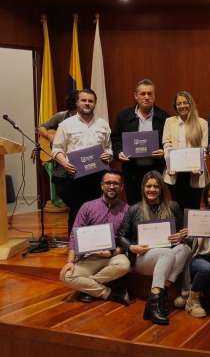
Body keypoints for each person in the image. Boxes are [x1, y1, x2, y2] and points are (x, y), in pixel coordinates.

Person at [118, 171, 191, 325]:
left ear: (161, 189)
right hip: (143, 258)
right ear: (143, 188)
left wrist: (182, 235)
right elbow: (121, 236)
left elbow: (184, 233)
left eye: (156, 186)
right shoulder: (134, 209)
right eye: (148, 186)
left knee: (185, 249)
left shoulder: (173, 206)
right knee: (167, 253)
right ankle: (157, 300)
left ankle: (155, 298)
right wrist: (132, 247)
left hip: (166, 256)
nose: (152, 190)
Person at [59, 170, 131, 305]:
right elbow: (75, 235)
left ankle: (87, 288)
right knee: (66, 276)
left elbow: (129, 239)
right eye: (108, 183)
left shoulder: (127, 210)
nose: (111, 186)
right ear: (101, 185)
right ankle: (109, 293)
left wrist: (113, 252)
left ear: (121, 187)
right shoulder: (88, 207)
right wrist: (70, 261)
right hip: (89, 256)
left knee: (124, 265)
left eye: (115, 183)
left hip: (112, 255)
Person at [52, 88, 113, 230]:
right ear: (77, 103)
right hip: (75, 175)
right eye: (84, 100)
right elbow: (56, 149)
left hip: (98, 175)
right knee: (77, 211)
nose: (87, 103)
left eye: (90, 101)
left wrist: (109, 154)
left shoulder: (103, 124)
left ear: (95, 104)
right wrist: (65, 163)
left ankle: (99, 243)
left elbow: (108, 147)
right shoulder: (66, 125)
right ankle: (75, 246)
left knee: (99, 211)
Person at [111, 79, 168, 205]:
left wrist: (164, 151)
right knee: (134, 205)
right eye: (143, 94)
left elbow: (170, 141)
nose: (146, 97)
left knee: (156, 204)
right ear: (136, 96)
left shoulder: (164, 117)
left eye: (150, 94)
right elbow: (115, 139)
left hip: (155, 169)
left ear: (154, 96)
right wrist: (119, 152)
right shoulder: (123, 116)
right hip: (132, 171)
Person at [180, 182, 210, 318]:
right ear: (206, 199)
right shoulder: (197, 216)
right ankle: (192, 302)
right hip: (199, 258)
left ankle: (195, 293)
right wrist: (186, 235)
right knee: (205, 268)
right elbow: (190, 243)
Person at [162, 91, 210, 212]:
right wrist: (170, 164)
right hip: (174, 174)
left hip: (195, 173)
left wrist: (198, 166)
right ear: (175, 106)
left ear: (191, 104)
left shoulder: (202, 123)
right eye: (179, 103)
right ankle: (179, 231)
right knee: (176, 208)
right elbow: (166, 144)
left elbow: (203, 148)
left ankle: (191, 231)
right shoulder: (169, 122)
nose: (182, 106)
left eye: (185, 103)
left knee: (193, 208)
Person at [39, 89, 78, 208]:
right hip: (62, 165)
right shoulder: (61, 116)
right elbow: (41, 127)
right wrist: (49, 136)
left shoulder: (89, 118)